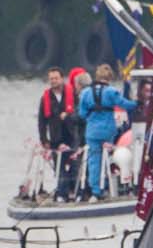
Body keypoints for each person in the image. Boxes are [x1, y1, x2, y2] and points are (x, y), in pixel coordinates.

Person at [77, 64, 137, 201]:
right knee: (110, 156)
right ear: (109, 77)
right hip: (108, 130)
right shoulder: (111, 91)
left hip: (92, 131)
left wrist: (92, 118)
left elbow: (81, 113)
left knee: (94, 160)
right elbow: (125, 104)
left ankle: (96, 191)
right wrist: (138, 104)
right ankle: (113, 185)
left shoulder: (86, 93)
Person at [36, 68, 76, 199]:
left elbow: (80, 113)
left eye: (56, 78)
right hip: (55, 138)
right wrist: (44, 140)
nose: (53, 81)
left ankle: (73, 190)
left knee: (75, 165)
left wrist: (69, 116)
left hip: (72, 136)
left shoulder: (72, 94)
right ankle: (62, 193)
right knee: (59, 168)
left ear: (62, 78)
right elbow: (42, 121)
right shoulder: (45, 98)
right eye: (51, 79)